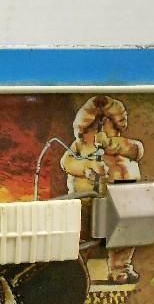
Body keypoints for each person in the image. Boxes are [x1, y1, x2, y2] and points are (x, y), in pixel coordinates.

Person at [60, 96, 145, 284]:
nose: (98, 132)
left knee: (124, 233)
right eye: (93, 127)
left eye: (107, 125)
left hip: (121, 197)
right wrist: (87, 167)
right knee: (80, 233)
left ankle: (121, 268)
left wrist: (110, 144)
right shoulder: (79, 146)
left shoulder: (124, 144)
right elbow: (67, 162)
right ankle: (75, 271)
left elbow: (137, 150)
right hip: (86, 199)